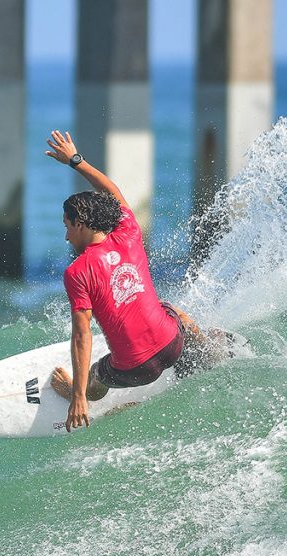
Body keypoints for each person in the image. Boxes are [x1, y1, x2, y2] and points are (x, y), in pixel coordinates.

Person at [44, 129, 210, 432]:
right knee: (174, 312)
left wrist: (78, 396)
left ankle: (78, 391)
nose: (66, 235)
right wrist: (75, 160)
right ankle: (204, 352)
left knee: (97, 375)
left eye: (67, 227)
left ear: (80, 224)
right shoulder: (129, 232)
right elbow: (112, 191)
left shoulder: (77, 272)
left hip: (135, 370)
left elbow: (83, 336)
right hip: (172, 345)